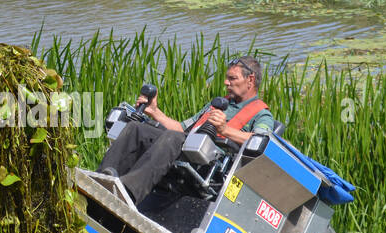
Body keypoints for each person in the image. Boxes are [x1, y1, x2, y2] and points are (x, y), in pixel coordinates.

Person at [98, 56, 274, 204]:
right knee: (136, 128)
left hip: (209, 163)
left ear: (250, 80)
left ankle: (127, 192)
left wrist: (225, 129)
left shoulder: (262, 115)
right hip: (183, 144)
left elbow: (263, 142)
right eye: (227, 78)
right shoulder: (217, 103)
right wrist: (155, 112)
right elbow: (182, 128)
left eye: (232, 78)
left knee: (173, 138)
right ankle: (101, 181)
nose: (226, 82)